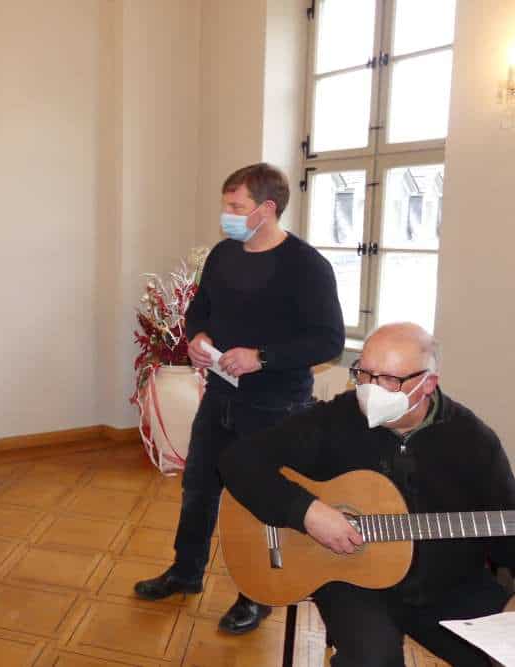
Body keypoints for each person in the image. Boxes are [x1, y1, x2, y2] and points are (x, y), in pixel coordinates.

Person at [220, 323, 515, 665]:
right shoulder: (336, 418)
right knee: (372, 660)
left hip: (448, 586)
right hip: (353, 581)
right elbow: (238, 460)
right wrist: (307, 512)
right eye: (363, 373)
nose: (371, 390)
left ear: (427, 384)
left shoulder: (473, 441)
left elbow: (507, 530)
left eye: (389, 379)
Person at [134, 163, 345, 634]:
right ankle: (185, 572)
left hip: (276, 406)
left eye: (236, 206)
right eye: (226, 204)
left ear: (266, 209)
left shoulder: (307, 266)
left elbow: (329, 340)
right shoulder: (224, 254)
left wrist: (261, 357)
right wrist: (198, 337)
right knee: (198, 488)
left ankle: (256, 593)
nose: (226, 214)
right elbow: (200, 310)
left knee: (259, 500)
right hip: (219, 398)